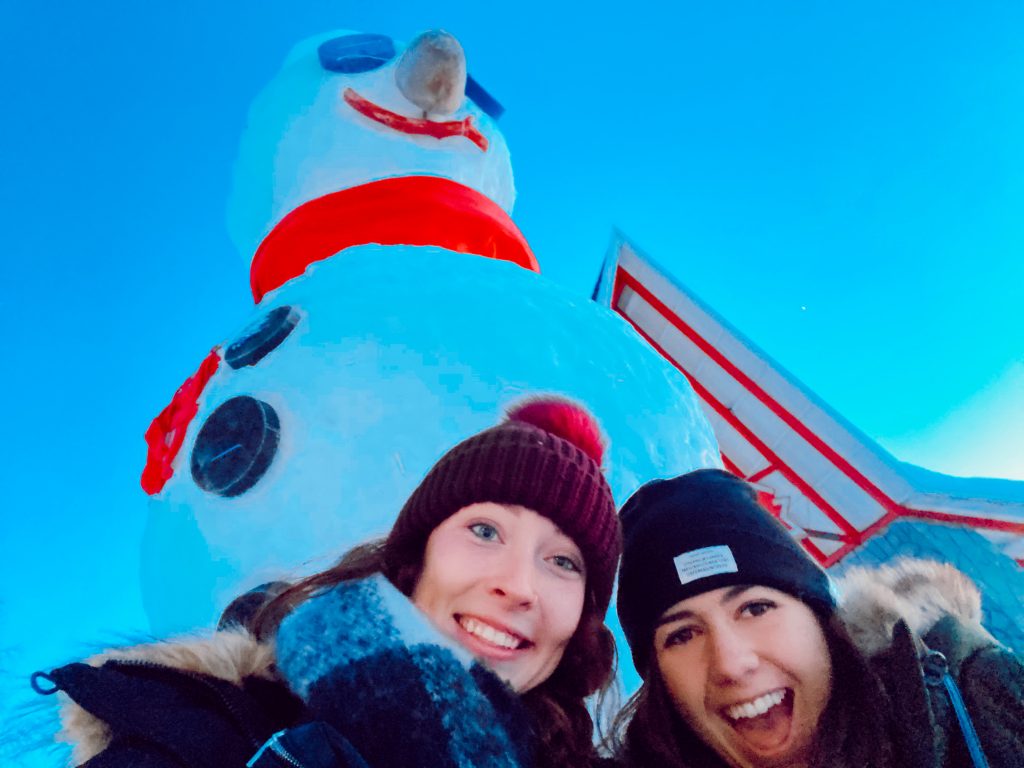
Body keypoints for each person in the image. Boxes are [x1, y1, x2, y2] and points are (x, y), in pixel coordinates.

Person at [33, 397, 621, 768]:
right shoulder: (201, 730)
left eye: (564, 562)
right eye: (485, 531)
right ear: (416, 560)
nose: (519, 585)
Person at [610, 468, 1023, 768]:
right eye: (682, 635)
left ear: (820, 618)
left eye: (756, 608)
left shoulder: (977, 700)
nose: (731, 664)